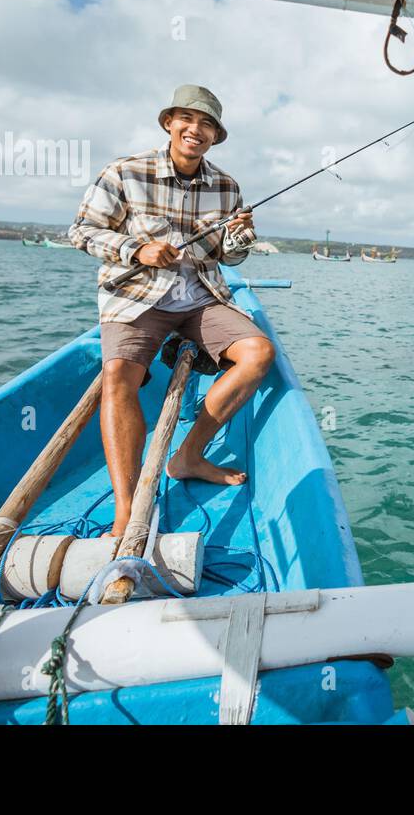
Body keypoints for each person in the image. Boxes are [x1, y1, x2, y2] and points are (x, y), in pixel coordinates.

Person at [69, 85, 274, 537]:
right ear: (169, 123)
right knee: (118, 373)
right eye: (187, 119)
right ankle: (126, 508)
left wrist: (242, 237)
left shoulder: (227, 186)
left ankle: (189, 455)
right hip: (137, 295)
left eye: (206, 125)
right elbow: (81, 232)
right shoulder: (124, 172)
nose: (194, 130)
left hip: (201, 296)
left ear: (216, 137)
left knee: (259, 353)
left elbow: (229, 257)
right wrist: (135, 249)